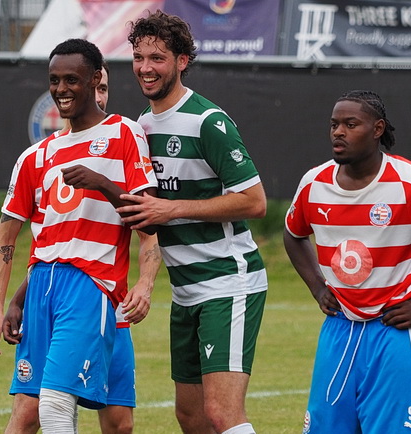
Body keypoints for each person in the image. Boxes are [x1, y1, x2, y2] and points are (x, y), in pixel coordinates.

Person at [283, 89, 411, 433]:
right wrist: (316, 286)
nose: (338, 132)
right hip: (338, 328)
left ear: (378, 128)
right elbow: (293, 233)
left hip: (393, 329)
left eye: (351, 124)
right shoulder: (314, 183)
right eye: (334, 124)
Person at [0, 38, 157, 433]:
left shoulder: (124, 133)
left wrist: (145, 283)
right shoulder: (36, 156)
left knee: (97, 416)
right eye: (54, 80)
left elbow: (147, 221)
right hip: (45, 286)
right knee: (36, 408)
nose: (60, 89)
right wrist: (3, 306)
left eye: (71, 80)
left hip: (94, 286)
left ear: (96, 80)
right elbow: (7, 236)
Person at [117, 10, 268, 434]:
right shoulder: (141, 126)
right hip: (185, 292)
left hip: (228, 280)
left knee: (222, 414)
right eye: (139, 57)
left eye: (158, 58)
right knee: (190, 415)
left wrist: (173, 208)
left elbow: (255, 201)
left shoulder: (208, 122)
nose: (146, 68)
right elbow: (145, 212)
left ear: (182, 61)